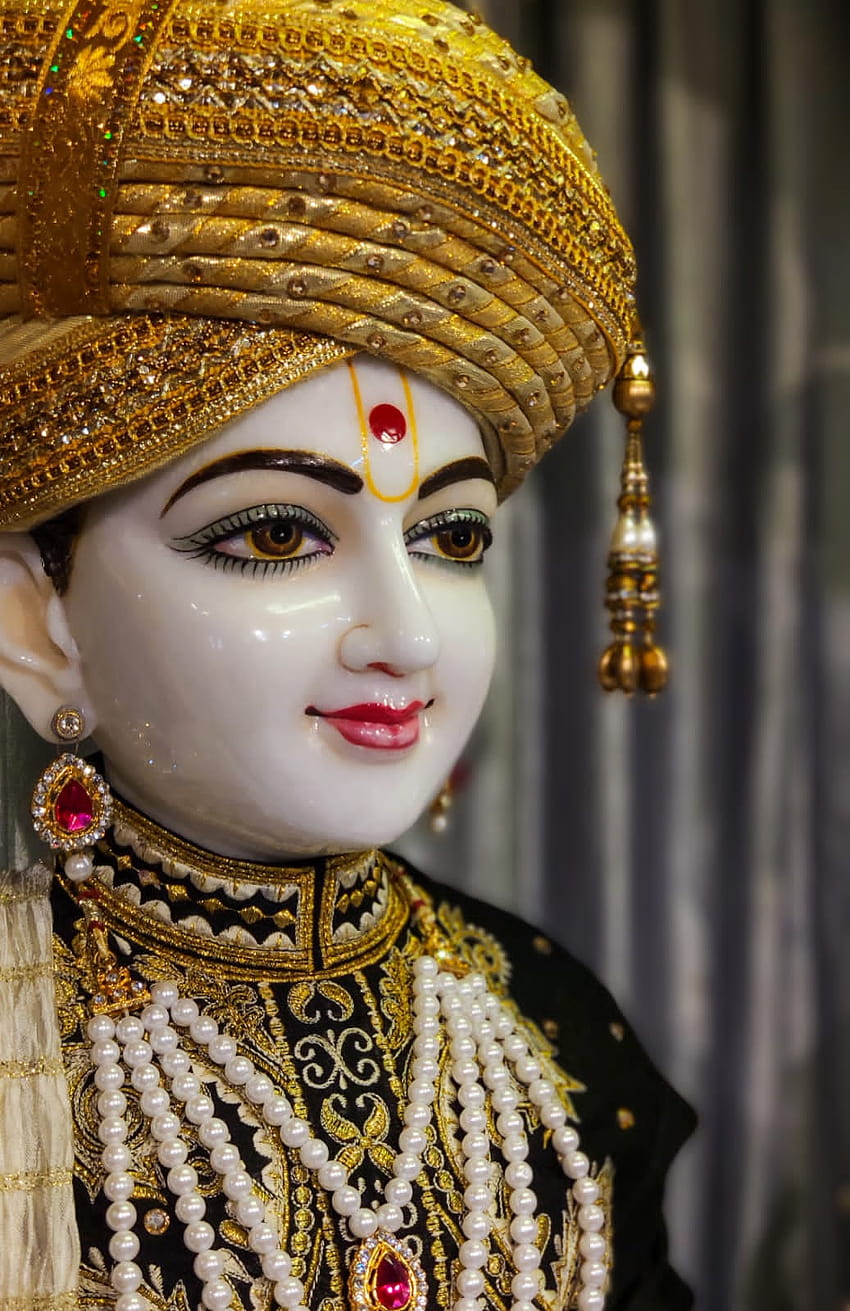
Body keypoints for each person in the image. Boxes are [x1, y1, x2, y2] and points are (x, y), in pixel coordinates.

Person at [0, 2, 694, 1309]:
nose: (409, 633)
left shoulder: (549, 1023)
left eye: (450, 536)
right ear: (38, 627)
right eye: (274, 533)